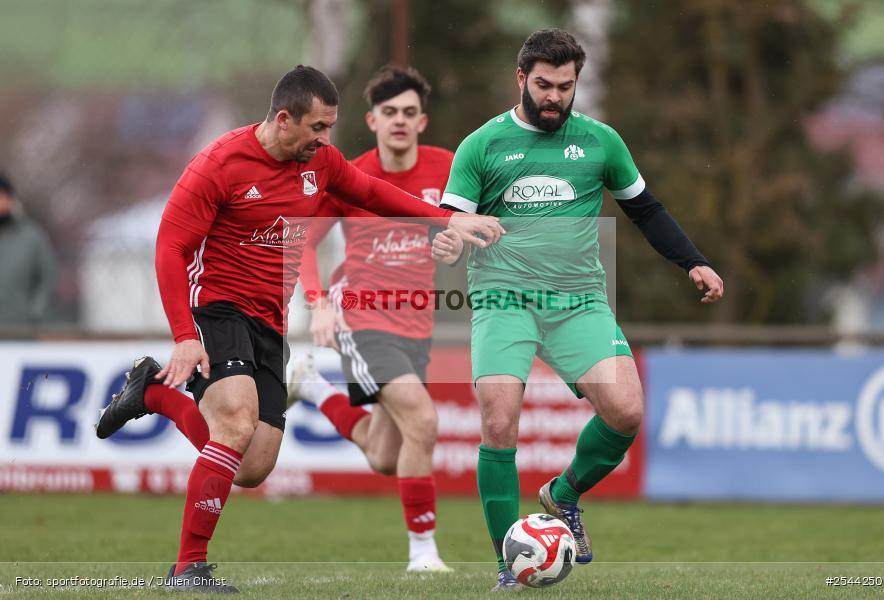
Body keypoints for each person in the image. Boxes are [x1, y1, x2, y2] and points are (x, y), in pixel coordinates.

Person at [94, 65, 503, 593]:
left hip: (271, 320)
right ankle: (186, 569)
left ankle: (153, 393)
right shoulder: (219, 164)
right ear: (284, 120)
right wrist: (183, 334)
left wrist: (448, 220)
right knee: (237, 426)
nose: (326, 140)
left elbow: (374, 195)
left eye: (330, 128)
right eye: (318, 128)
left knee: (250, 467)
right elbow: (169, 247)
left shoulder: (323, 163)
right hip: (218, 307)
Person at [430, 29, 724, 590]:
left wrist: (693, 262)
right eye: (543, 85)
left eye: (565, 87)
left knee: (627, 413)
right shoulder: (481, 145)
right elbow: (451, 223)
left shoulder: (600, 142)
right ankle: (508, 567)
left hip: (578, 301)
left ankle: (561, 495)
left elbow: (646, 209)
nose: (553, 97)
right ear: (521, 79)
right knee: (498, 423)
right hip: (503, 299)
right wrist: (448, 241)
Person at [287, 65, 452, 572]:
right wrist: (318, 301)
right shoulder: (347, 175)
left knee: (384, 455)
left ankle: (312, 386)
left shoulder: (446, 169)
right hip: (361, 316)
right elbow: (303, 244)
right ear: (372, 120)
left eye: (408, 113)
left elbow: (466, 230)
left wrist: (454, 243)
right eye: (389, 113)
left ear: (422, 122)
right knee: (423, 420)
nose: (399, 121)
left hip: (416, 324)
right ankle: (423, 554)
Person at [0, 172, 57, 328]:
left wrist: (34, 311)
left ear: (10, 199)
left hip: (20, 329)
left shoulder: (31, 237)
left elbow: (47, 277)